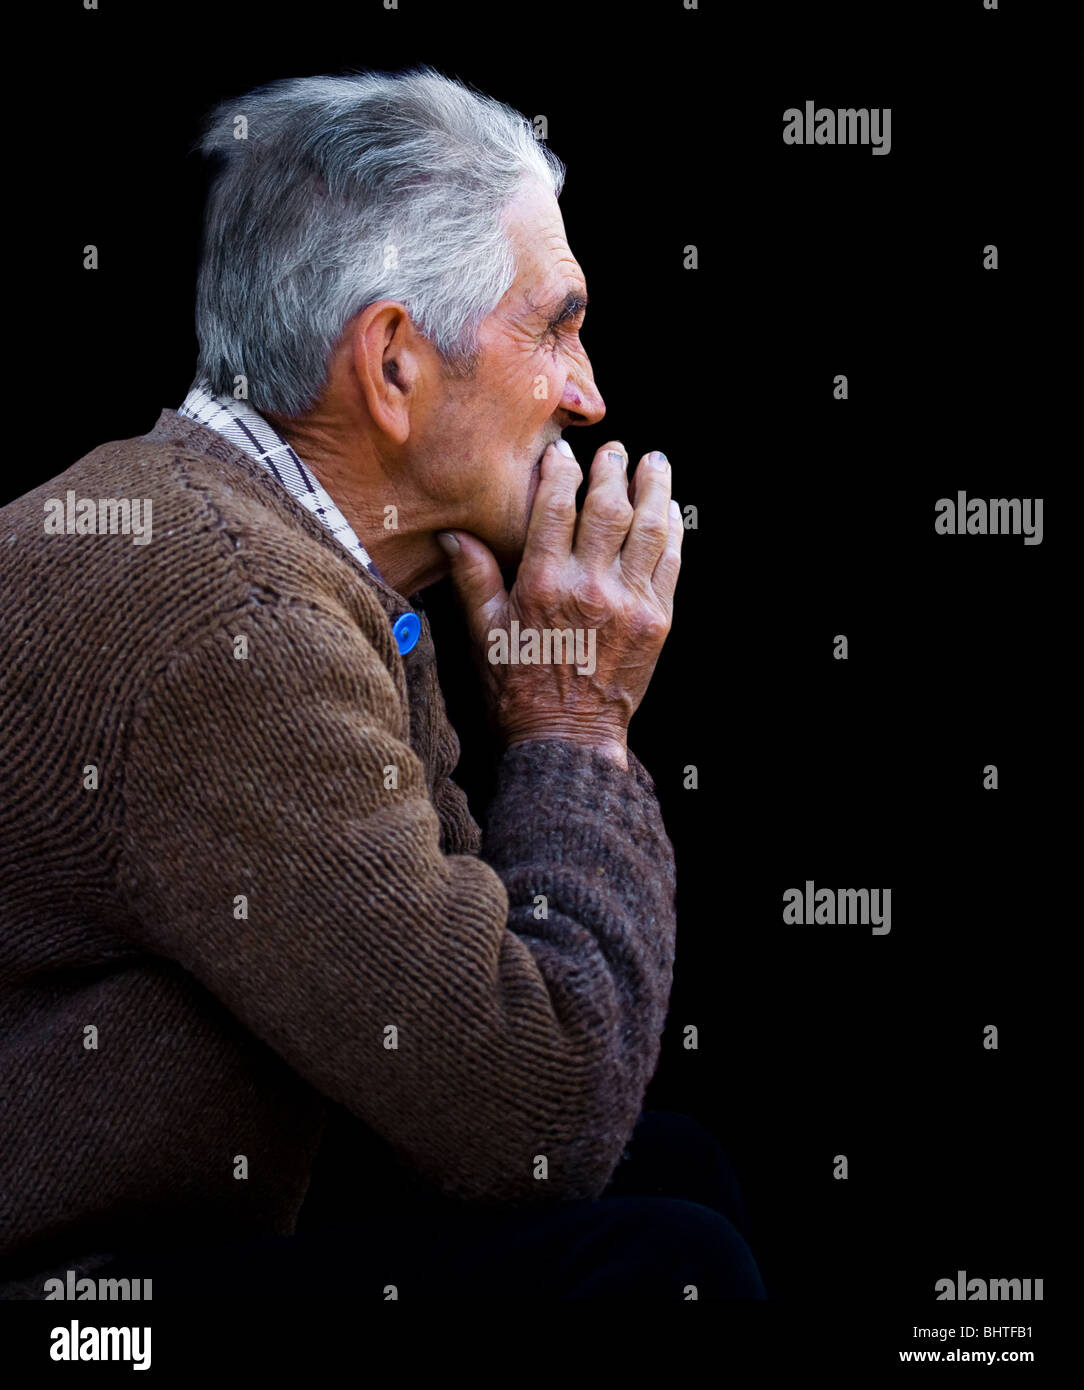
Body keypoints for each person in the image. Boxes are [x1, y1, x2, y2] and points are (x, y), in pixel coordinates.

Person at [0, 67, 763, 1300]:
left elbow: (459, 1008)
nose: (588, 393)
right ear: (396, 364)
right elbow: (536, 1107)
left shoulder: (258, 544)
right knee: (662, 1265)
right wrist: (577, 727)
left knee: (673, 1168)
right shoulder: (229, 620)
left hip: (169, 1239)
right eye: (555, 326)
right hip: (77, 1321)